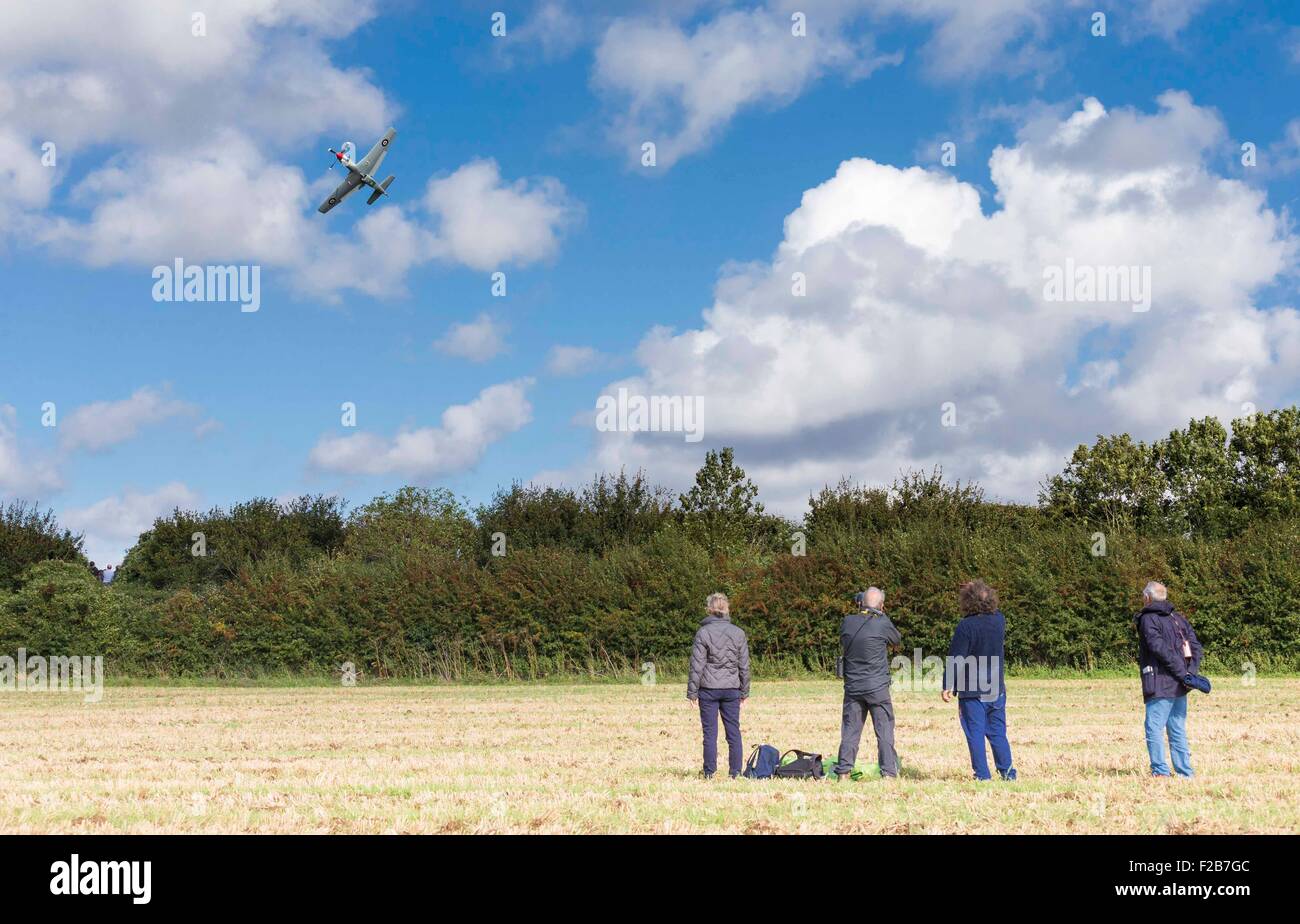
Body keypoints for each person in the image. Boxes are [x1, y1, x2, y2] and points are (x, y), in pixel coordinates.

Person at [941, 580, 1017, 781]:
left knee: (975, 733)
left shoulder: (966, 626)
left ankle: (983, 776)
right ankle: (1008, 773)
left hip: (972, 689)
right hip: (996, 686)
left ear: (967, 601)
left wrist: (946, 684)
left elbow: (956, 657)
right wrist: (977, 587)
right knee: (998, 733)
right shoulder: (999, 620)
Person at [834, 587, 902, 780]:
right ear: (881, 605)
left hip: (853, 687)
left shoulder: (848, 622)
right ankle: (888, 772)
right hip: (877, 687)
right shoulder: (882, 623)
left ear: (860, 603)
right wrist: (882, 616)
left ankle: (844, 772)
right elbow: (896, 639)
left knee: (850, 730)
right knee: (884, 730)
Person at [1136, 581, 1202, 778]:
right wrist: (1189, 673)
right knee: (1177, 727)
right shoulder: (1178, 618)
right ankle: (1185, 773)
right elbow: (1196, 647)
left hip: (1161, 682)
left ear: (1147, 598)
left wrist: (1182, 673)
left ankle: (1160, 772)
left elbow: (1159, 649)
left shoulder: (1148, 619)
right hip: (1181, 683)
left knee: (1154, 727)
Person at [686, 592, 750, 778]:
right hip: (731, 689)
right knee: (733, 732)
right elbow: (744, 665)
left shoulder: (703, 633)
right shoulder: (738, 633)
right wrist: (744, 692)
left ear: (709, 610)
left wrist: (692, 693)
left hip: (708, 690)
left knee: (710, 734)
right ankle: (736, 772)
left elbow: (697, 665)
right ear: (727, 609)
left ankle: (709, 772)